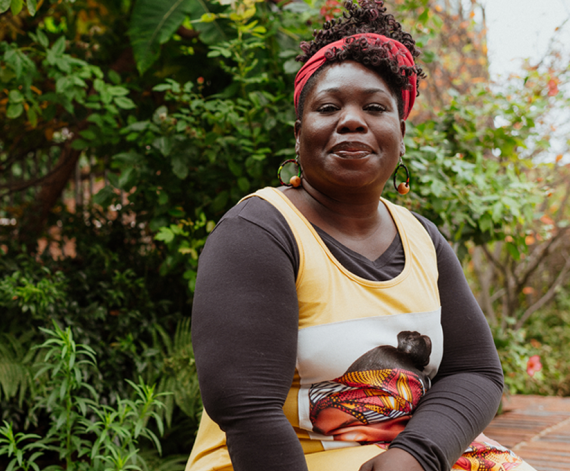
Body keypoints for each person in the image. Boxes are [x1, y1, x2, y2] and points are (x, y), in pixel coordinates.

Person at [185, 1, 535, 470]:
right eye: (328, 107)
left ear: (401, 133)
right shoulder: (258, 234)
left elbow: (475, 371)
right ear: (298, 133)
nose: (352, 120)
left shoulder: (422, 238)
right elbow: (247, 409)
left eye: (374, 107)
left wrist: (415, 455)